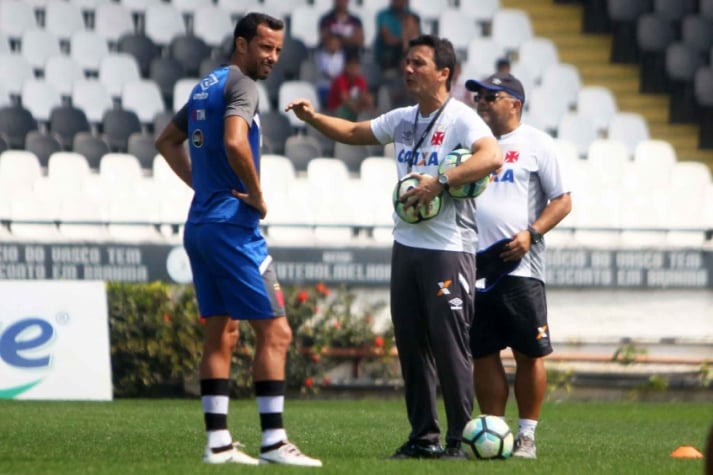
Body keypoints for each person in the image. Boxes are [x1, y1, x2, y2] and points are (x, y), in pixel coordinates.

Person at [286, 34, 503, 460]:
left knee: (449, 344)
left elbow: (491, 156)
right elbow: (352, 131)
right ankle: (424, 437)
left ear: (444, 73)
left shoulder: (460, 118)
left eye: (418, 62)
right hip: (406, 245)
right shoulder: (404, 118)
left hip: (447, 247)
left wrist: (439, 181)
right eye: (406, 61)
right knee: (411, 344)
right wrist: (313, 118)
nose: (408, 69)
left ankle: (459, 439)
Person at [154, 12, 321, 467]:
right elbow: (233, 141)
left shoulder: (205, 85)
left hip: (201, 225)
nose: (271, 58)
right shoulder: (242, 85)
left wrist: (202, 187)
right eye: (265, 47)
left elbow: (166, 141)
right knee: (277, 331)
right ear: (242, 44)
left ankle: (219, 444)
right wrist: (258, 195)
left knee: (221, 333)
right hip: (233, 228)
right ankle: (273, 441)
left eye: (277, 51)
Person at [464, 72, 572, 459]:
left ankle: (527, 436)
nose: (482, 102)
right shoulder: (472, 143)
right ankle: (494, 430)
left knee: (529, 352)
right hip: (475, 265)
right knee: (483, 352)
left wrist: (532, 233)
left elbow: (562, 200)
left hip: (520, 266)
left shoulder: (537, 144)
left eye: (492, 97)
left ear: (515, 103)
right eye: (479, 97)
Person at [326, 49, 375, 121]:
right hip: (337, 112)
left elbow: (364, 96)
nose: (354, 68)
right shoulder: (340, 80)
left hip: (354, 108)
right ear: (346, 66)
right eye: (351, 65)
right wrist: (359, 109)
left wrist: (368, 103)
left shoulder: (360, 80)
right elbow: (345, 100)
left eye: (356, 65)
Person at [373, 0, 421, 73]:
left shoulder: (411, 16)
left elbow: (417, 36)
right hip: (389, 60)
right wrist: (405, 40)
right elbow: (388, 39)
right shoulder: (383, 15)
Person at [314, 32, 346, 106]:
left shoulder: (343, 55)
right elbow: (326, 72)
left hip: (339, 87)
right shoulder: (320, 55)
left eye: (336, 43)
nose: (333, 46)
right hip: (325, 86)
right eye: (331, 43)